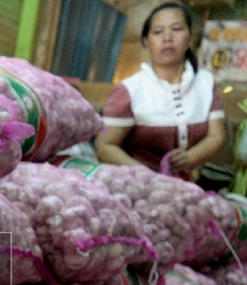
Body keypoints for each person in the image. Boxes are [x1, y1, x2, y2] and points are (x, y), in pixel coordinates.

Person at [95, 2, 225, 180]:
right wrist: (149, 177)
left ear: (190, 39)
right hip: (136, 184)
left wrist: (190, 158)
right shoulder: (129, 90)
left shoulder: (206, 83)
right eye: (158, 32)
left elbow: (216, 136)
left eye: (177, 29)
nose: (167, 37)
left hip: (189, 183)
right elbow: (105, 146)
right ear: (147, 42)